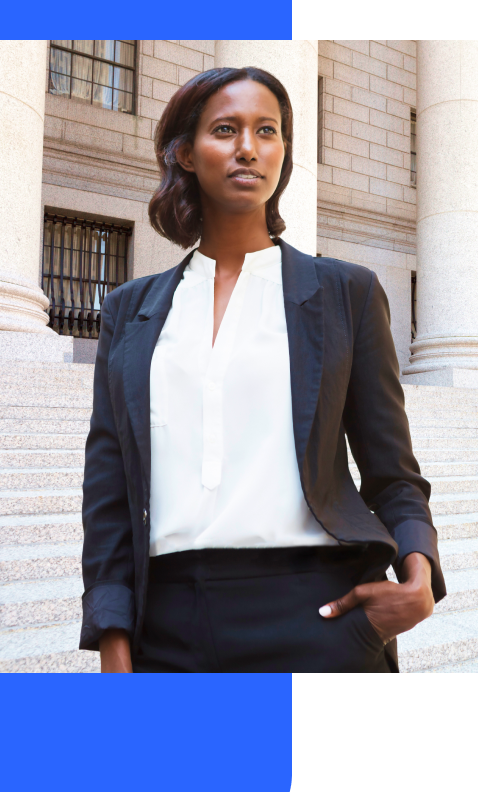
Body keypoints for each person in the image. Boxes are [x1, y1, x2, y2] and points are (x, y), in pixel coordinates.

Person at [79, 65, 446, 673]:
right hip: (166, 624)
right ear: (186, 154)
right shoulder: (129, 310)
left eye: (267, 130)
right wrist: (114, 639)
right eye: (226, 129)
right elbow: (109, 490)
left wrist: (418, 576)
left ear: (283, 152)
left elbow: (393, 473)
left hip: (320, 616)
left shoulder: (345, 293)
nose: (249, 148)